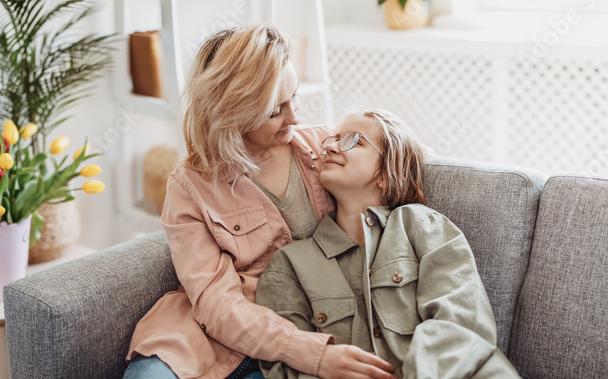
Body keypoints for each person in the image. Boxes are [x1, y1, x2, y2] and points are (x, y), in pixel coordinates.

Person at [123, 26, 395, 379]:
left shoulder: (322, 149)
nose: (294, 117)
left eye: (294, 97)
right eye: (273, 111)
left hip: (300, 333)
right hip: (206, 338)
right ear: (230, 112)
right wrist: (311, 354)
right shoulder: (189, 185)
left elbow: (392, 156)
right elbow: (214, 302)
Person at [256, 109, 521, 378]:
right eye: (330, 141)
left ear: (385, 172)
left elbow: (462, 322)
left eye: (352, 141)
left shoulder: (420, 225)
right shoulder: (289, 264)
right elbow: (285, 365)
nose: (331, 147)